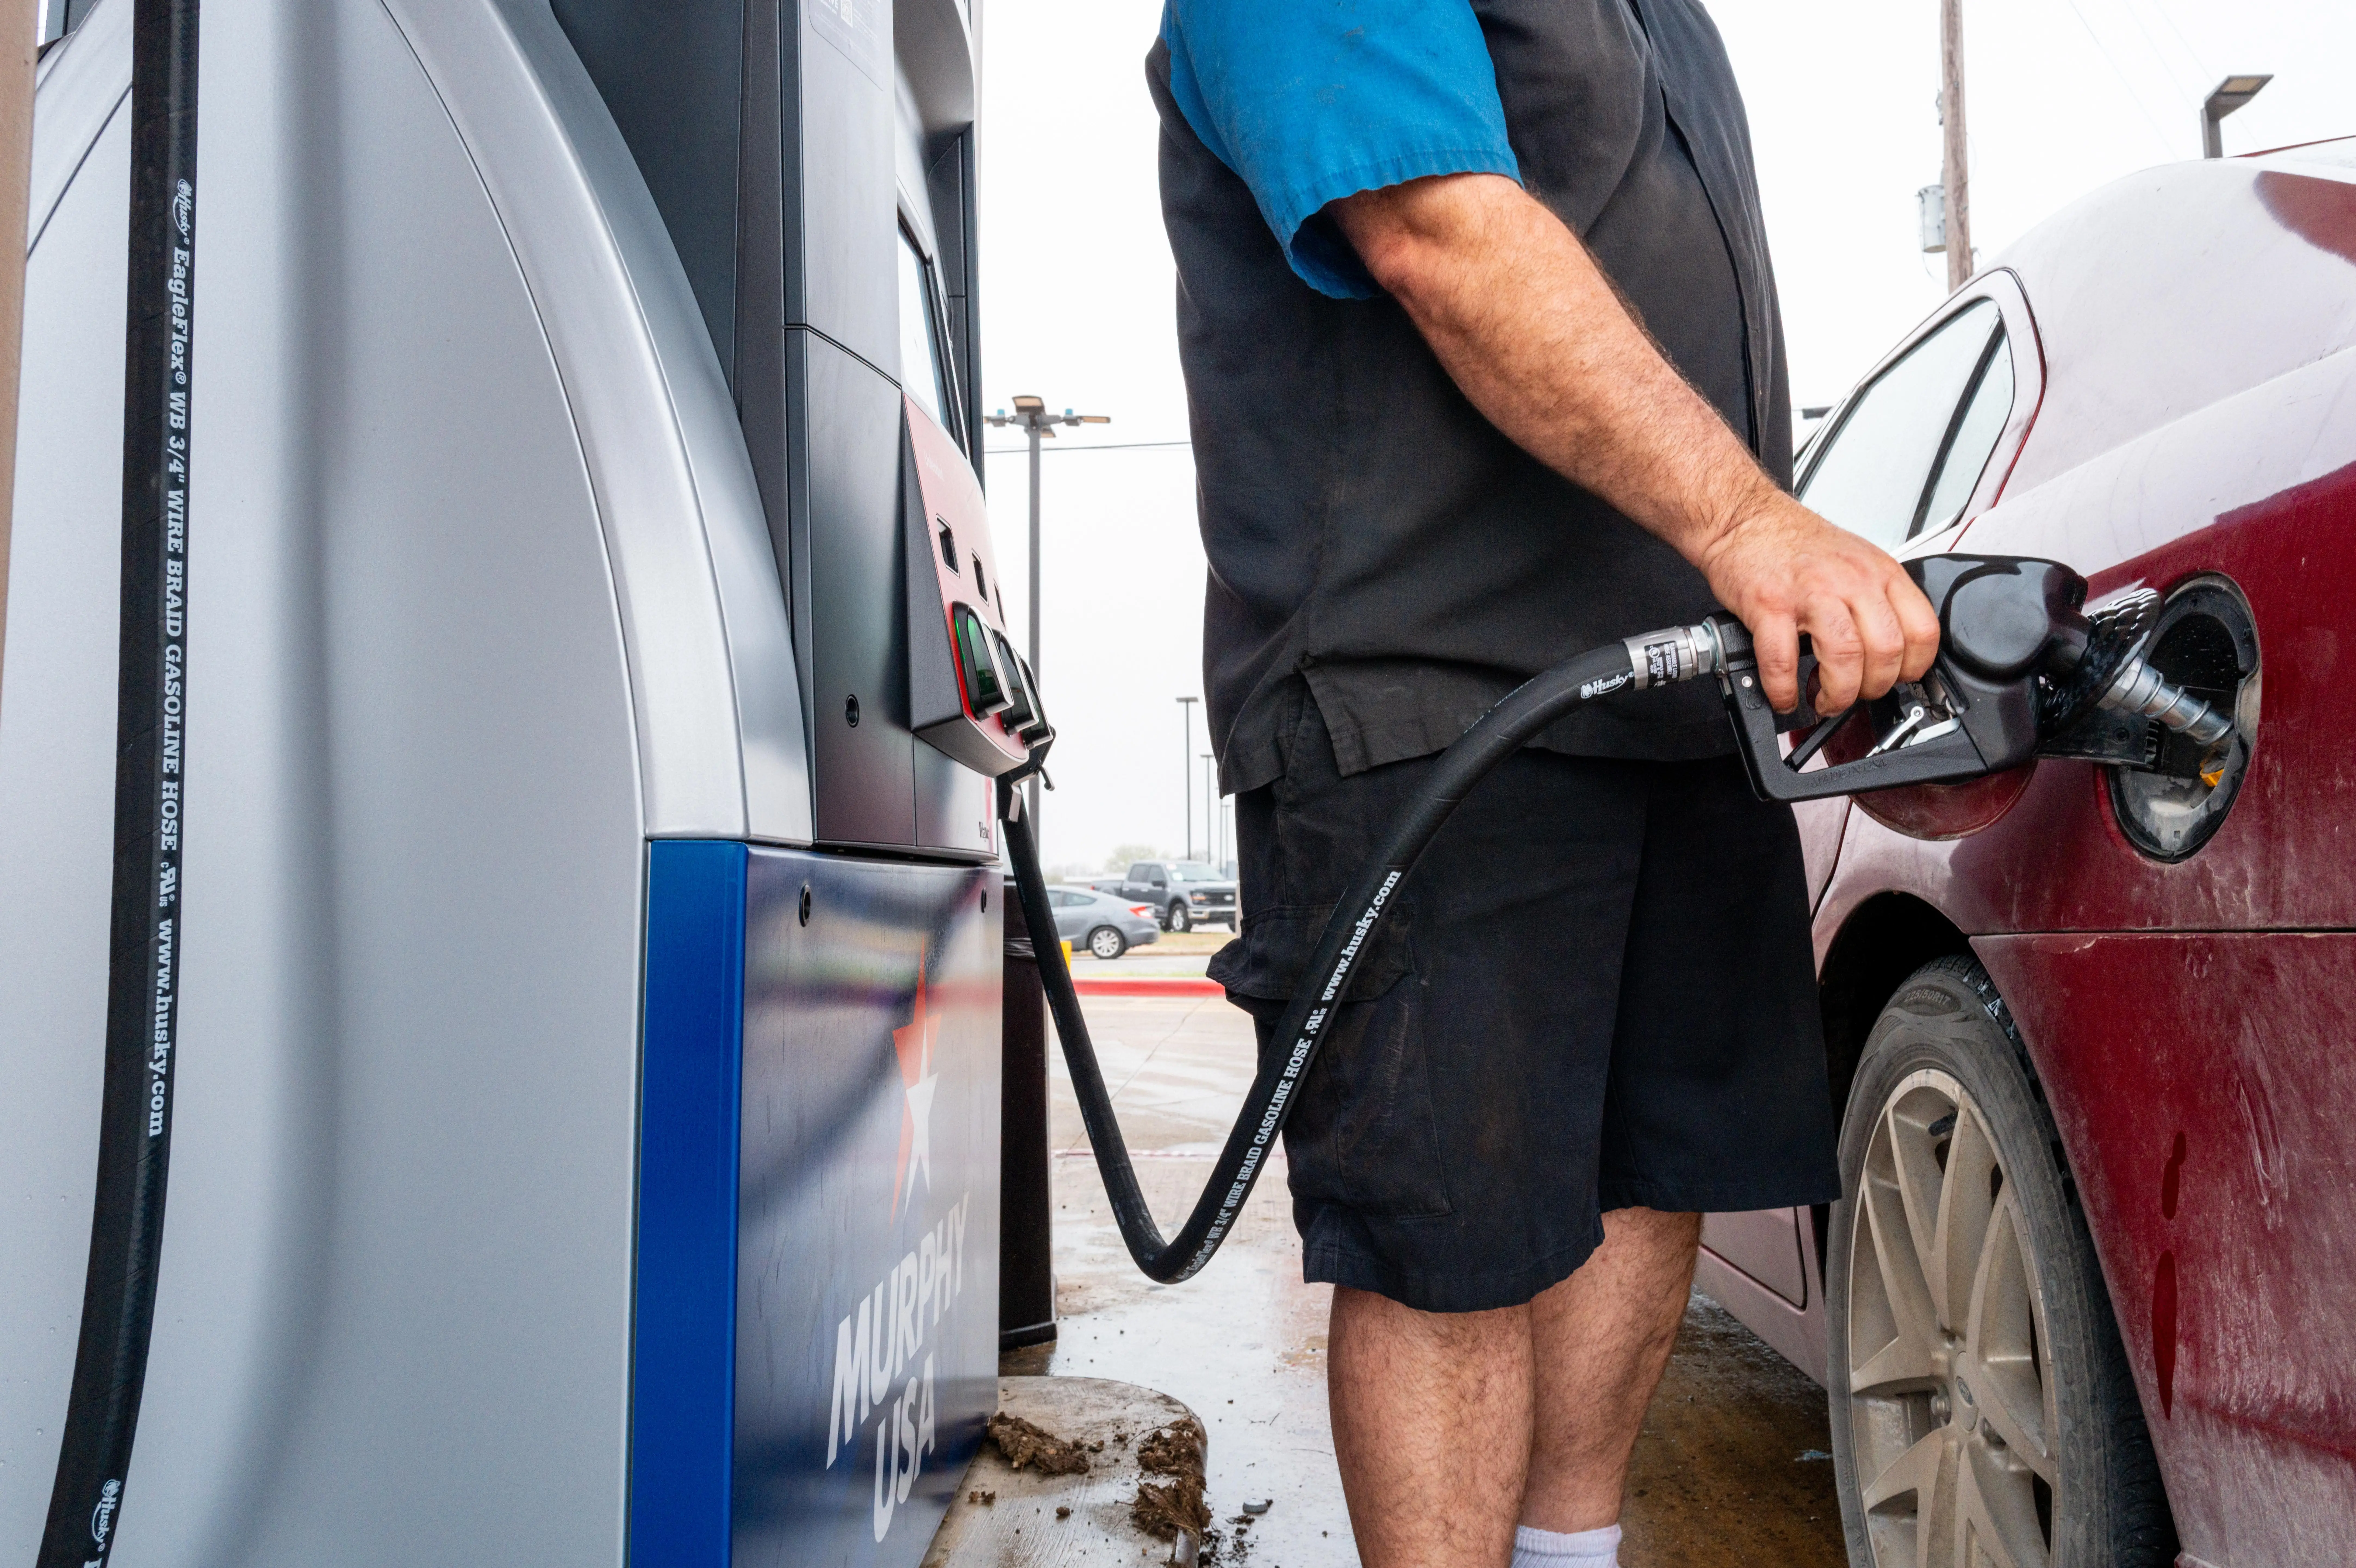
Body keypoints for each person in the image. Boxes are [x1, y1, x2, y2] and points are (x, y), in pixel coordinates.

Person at [1151, 3, 1941, 1565]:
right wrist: (1753, 525)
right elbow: (1439, 233)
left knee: (1655, 1170)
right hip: (1426, 684)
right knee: (1453, 1232)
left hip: (1676, 671)